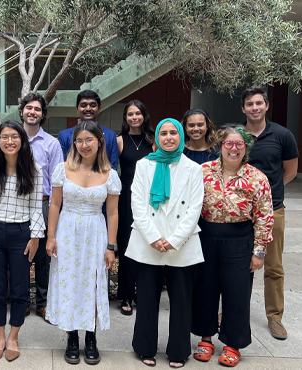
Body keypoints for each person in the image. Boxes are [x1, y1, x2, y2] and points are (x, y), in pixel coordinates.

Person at [125, 118, 204, 368]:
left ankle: (179, 350)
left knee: (181, 301)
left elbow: (194, 208)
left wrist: (173, 240)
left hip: (181, 244)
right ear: (157, 137)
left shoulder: (193, 168)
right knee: (147, 299)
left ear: (181, 136)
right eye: (164, 133)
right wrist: (154, 237)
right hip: (149, 243)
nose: (169, 137)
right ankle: (145, 346)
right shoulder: (144, 165)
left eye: (173, 133)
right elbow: (137, 203)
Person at [192, 124, 273, 367]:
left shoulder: (257, 178)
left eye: (239, 144)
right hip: (206, 237)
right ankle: (206, 339)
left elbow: (265, 217)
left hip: (240, 241)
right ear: (220, 146)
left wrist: (258, 253)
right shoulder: (203, 171)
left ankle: (232, 344)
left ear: (246, 147)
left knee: (236, 293)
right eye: (229, 143)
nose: (234, 148)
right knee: (205, 290)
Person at [46, 120, 121, 365]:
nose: (84, 145)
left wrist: (111, 247)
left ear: (100, 141)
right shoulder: (63, 169)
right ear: (74, 143)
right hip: (67, 231)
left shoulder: (110, 175)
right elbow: (55, 204)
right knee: (69, 282)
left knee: (93, 284)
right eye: (80, 140)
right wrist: (51, 236)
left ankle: (91, 337)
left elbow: (112, 213)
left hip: (95, 233)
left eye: (89, 140)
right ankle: (71, 337)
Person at [0, 120, 45, 362]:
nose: (10, 141)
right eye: (4, 137)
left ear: (22, 140)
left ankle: (14, 336)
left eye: (14, 136)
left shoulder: (33, 168)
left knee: (20, 287)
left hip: (21, 233)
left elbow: (36, 207)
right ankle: (0, 337)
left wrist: (35, 237)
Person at [242, 85, 298, 340]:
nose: (255, 108)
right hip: (240, 213)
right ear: (243, 108)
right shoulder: (236, 134)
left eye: (258, 103)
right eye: (250, 104)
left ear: (266, 106)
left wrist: (267, 195)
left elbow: (290, 171)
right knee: (238, 265)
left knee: (273, 266)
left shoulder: (282, 135)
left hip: (273, 211)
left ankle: (275, 317)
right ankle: (232, 310)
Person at [19, 93, 63, 321]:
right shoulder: (12, 138)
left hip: (44, 204)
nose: (32, 112)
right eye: (29, 108)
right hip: (18, 205)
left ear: (42, 114)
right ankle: (23, 301)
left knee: (45, 256)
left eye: (37, 109)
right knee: (21, 254)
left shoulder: (52, 144)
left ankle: (43, 302)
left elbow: (57, 181)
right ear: (22, 111)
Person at [115, 100, 154, 315]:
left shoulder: (153, 140)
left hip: (149, 197)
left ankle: (144, 292)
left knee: (146, 243)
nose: (134, 117)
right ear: (126, 117)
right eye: (130, 114)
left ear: (143, 115)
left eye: (138, 113)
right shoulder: (119, 140)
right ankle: (126, 294)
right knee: (127, 245)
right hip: (126, 196)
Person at [58, 90, 118, 169]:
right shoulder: (64, 135)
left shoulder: (110, 135)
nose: (88, 108)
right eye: (83, 105)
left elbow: (112, 166)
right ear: (77, 109)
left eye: (93, 105)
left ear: (99, 108)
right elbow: (61, 165)